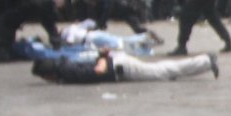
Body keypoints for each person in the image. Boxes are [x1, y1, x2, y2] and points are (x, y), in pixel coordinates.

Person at [31, 46, 218, 84]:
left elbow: (99, 71)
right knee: (163, 68)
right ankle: (204, 61)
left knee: (164, 71)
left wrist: (103, 57)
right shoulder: (64, 63)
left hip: (119, 66)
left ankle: (206, 61)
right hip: (118, 61)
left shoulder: (67, 72)